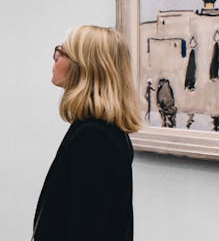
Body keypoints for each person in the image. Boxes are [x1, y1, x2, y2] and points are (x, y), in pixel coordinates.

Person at [33, 25, 142, 241]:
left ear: (84, 67)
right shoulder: (98, 130)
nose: (55, 58)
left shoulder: (95, 138)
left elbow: (86, 229)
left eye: (62, 52)